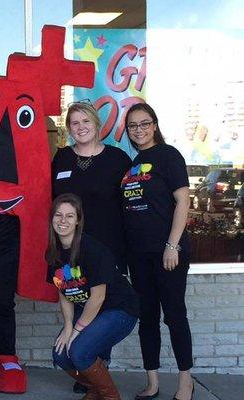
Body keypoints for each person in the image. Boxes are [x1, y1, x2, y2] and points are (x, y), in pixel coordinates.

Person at [122, 103, 194, 400]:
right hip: (138, 256)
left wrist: (172, 245)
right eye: (133, 126)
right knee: (147, 318)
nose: (139, 130)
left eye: (144, 123)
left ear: (154, 125)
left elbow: (183, 201)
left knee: (174, 316)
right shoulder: (133, 163)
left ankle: (185, 384)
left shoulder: (168, 156)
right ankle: (152, 382)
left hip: (168, 253)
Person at [47, 193, 139, 400]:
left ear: (78, 220)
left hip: (118, 309)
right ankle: (95, 388)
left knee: (79, 351)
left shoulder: (92, 249)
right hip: (89, 310)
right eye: (58, 215)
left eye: (70, 216)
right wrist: (69, 325)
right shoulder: (54, 252)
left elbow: (98, 297)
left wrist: (77, 330)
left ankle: (110, 396)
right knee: (60, 354)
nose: (63, 221)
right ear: (51, 218)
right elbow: (64, 292)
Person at [52, 101, 131, 275]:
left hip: (108, 247)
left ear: (96, 123)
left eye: (86, 121)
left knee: (106, 300)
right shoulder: (61, 157)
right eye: (75, 123)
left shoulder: (118, 159)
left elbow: (132, 202)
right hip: (69, 248)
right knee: (71, 298)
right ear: (69, 128)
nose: (81, 127)